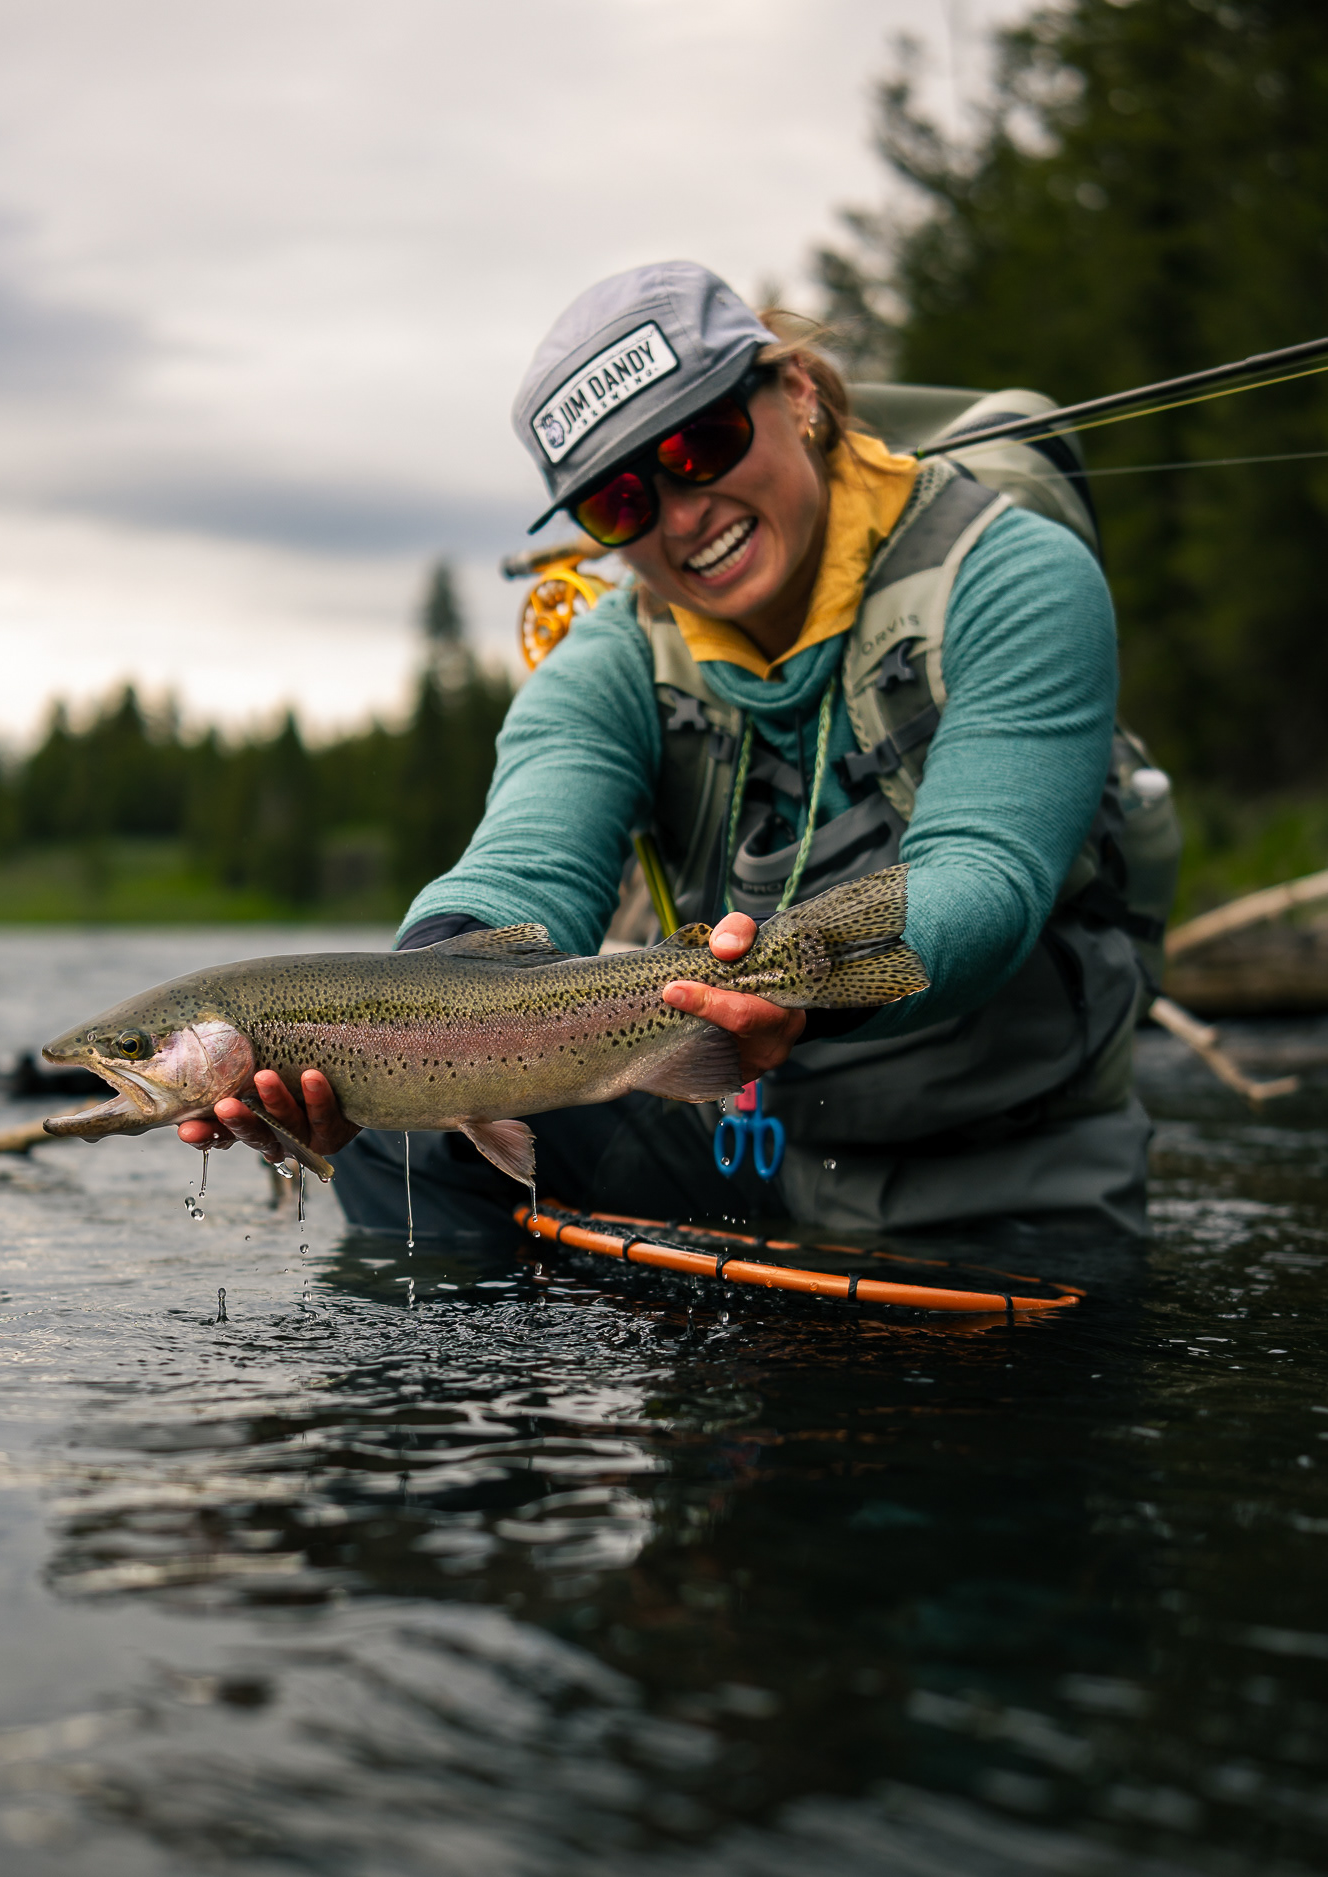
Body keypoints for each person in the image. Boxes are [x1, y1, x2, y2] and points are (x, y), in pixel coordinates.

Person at [180, 261, 1152, 1238]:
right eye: (619, 502)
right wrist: (367, 1051)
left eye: (701, 443)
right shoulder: (609, 660)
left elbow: (989, 873)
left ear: (798, 392)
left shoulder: (1012, 574)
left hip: (998, 1168)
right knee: (409, 1138)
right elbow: (521, 872)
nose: (682, 515)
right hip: (734, 1139)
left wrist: (794, 984)